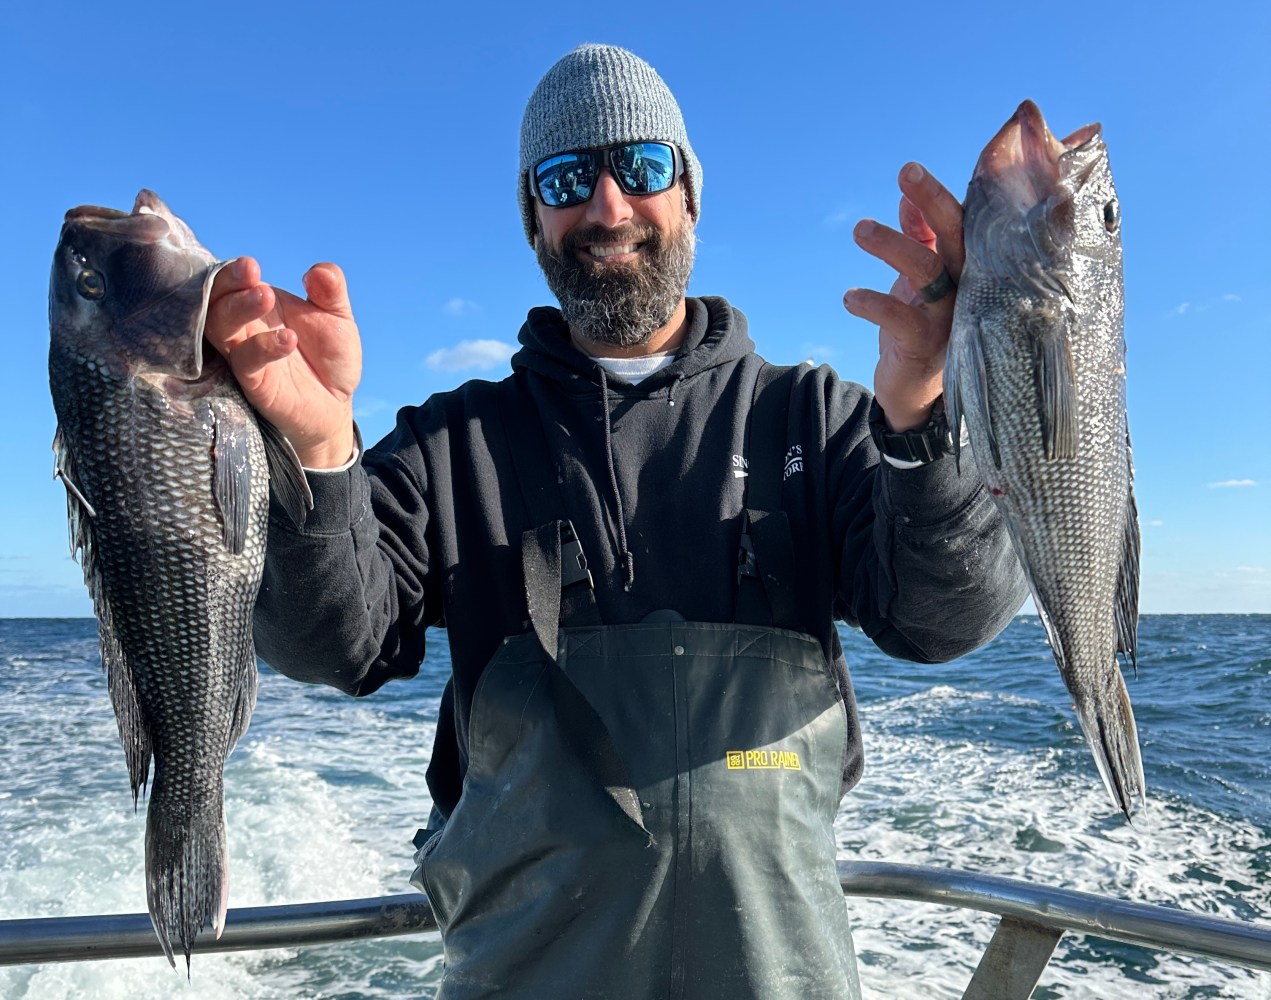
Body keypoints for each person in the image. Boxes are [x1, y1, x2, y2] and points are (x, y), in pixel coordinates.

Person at [206, 44, 1026, 1000]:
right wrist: (314, 453)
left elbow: (944, 621)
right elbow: (329, 647)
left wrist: (923, 413)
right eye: (566, 178)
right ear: (533, 220)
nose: (605, 208)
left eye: (640, 168)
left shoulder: (817, 420)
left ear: (688, 197)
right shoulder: (452, 443)